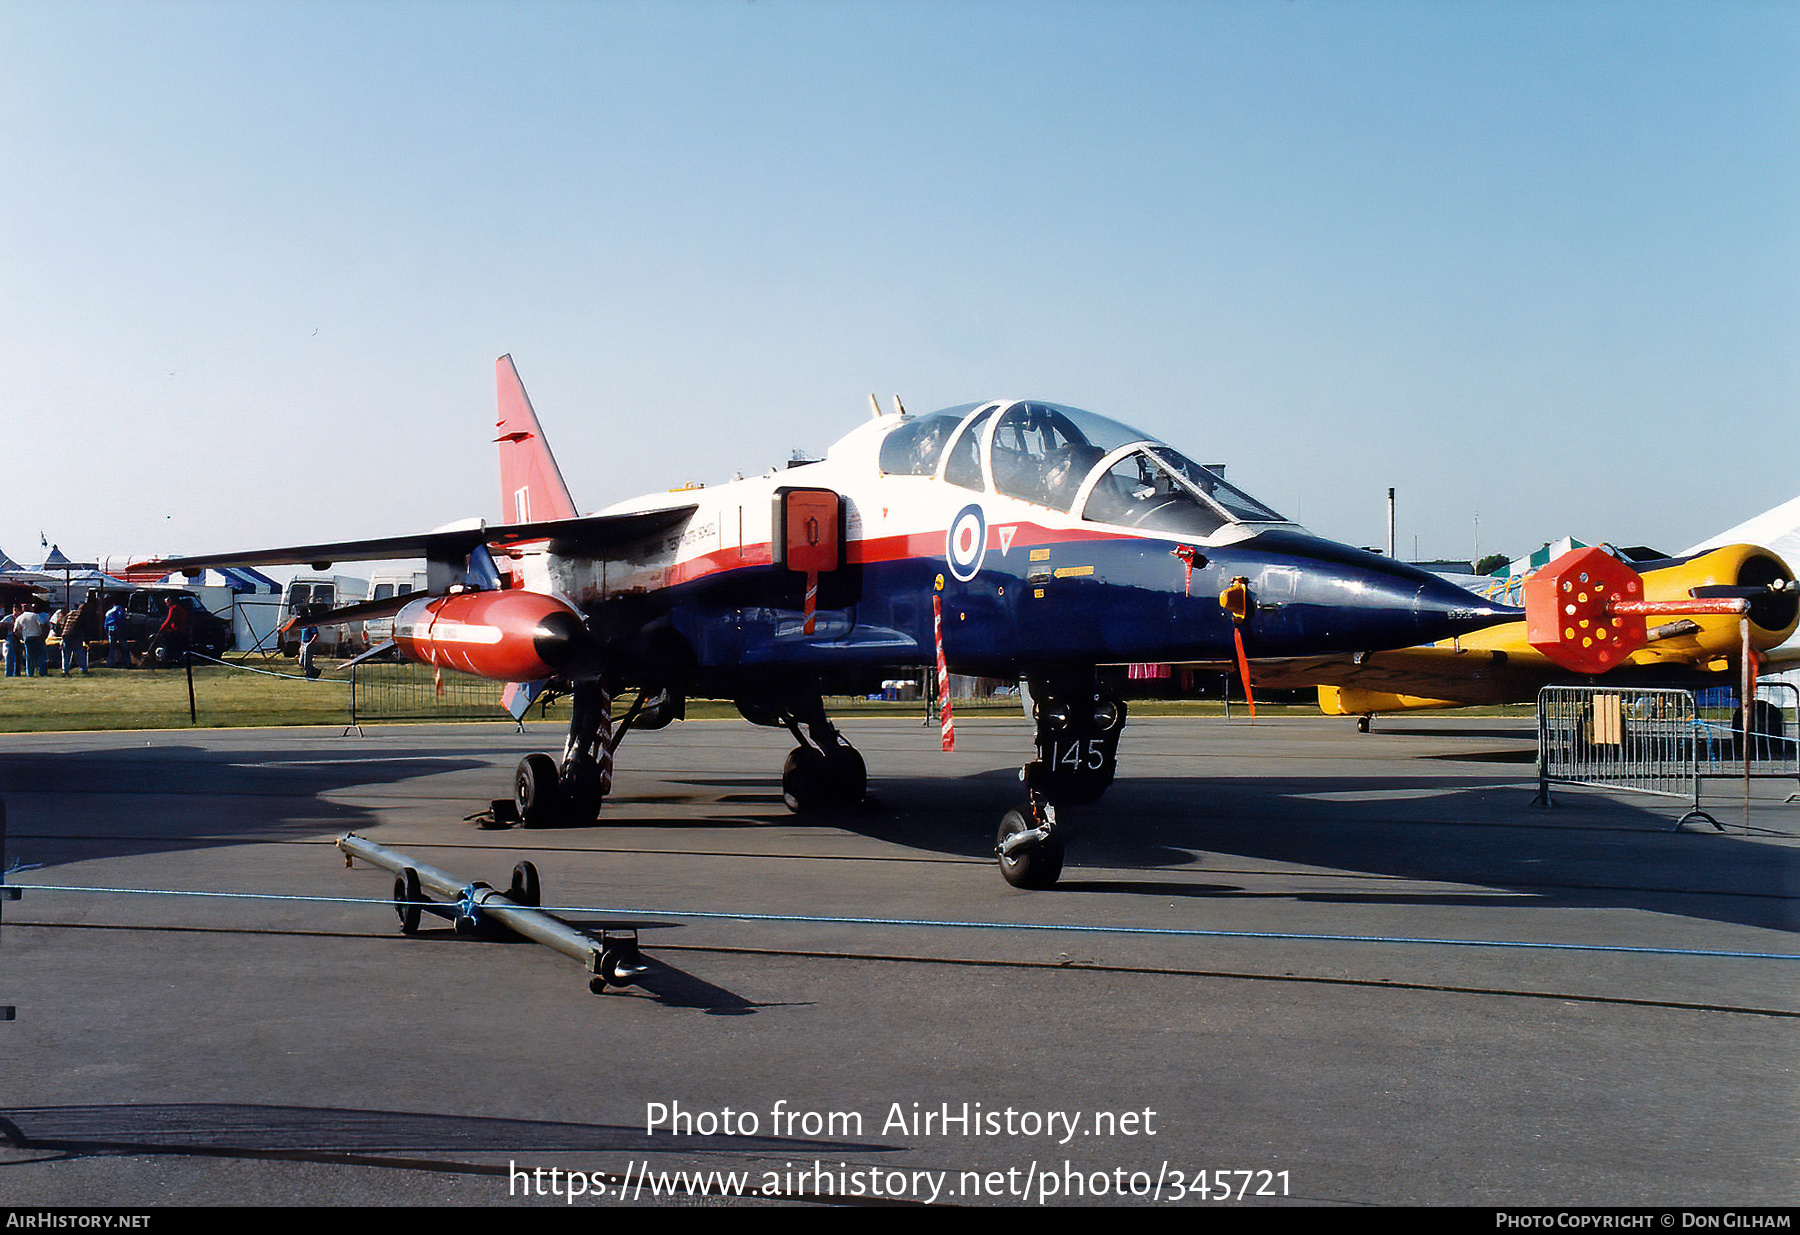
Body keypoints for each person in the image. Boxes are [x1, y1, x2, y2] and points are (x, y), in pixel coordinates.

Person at [60, 598, 96, 676]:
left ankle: (65, 670)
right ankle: (84, 669)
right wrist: (87, 640)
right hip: (76, 636)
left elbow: (63, 623)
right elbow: (84, 629)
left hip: (66, 634)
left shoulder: (71, 613)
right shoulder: (83, 616)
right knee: (79, 652)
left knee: (66, 654)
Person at [154, 595, 191, 665]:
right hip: (182, 630)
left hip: (179, 631)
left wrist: (161, 629)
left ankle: (167, 657)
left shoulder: (174, 608)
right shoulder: (179, 608)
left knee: (168, 642)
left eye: (166, 603)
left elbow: (169, 620)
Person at [104, 598, 129, 667]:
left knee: (112, 646)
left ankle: (110, 662)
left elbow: (105, 624)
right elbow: (122, 619)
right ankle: (127, 662)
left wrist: (107, 632)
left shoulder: (109, 612)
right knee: (124, 645)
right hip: (118, 627)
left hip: (110, 629)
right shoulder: (120, 609)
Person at [1, 606, 16, 677]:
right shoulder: (9, 617)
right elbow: (0, 624)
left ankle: (16, 673)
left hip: (21, 637)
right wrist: (8, 625)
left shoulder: (22, 617)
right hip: (10, 636)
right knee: (9, 654)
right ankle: (9, 674)